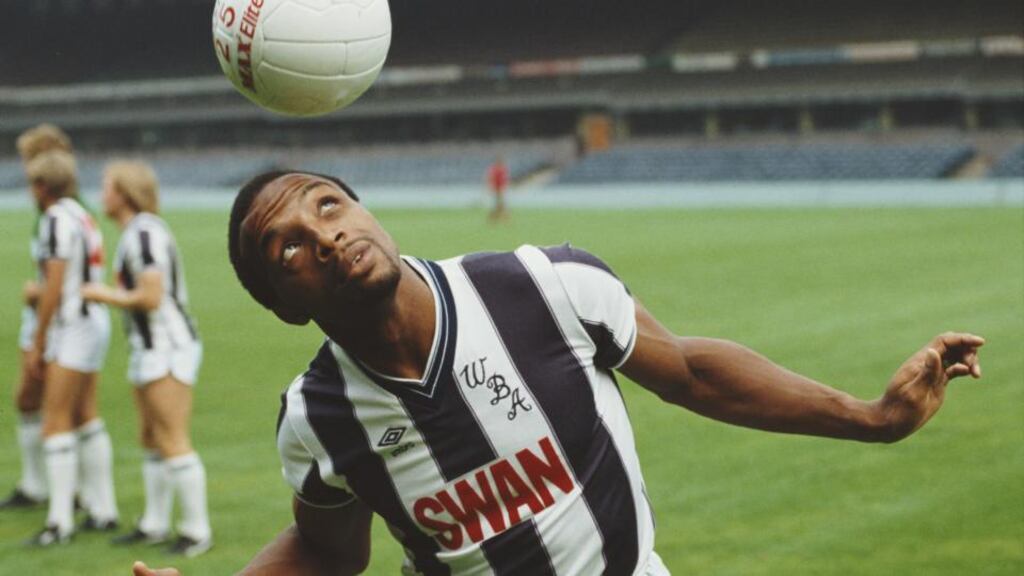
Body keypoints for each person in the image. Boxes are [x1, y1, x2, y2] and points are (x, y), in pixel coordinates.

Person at [134, 171, 984, 576]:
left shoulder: (544, 286)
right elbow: (326, 551)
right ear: (285, 302)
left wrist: (875, 416)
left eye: (328, 203)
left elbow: (690, 371)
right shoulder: (318, 419)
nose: (321, 233)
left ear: (368, 211)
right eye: (286, 245)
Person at [82, 160, 213, 557]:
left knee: (173, 439)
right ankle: (155, 523)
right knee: (151, 437)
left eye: (107, 186)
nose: (102, 194)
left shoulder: (143, 234)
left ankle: (195, 530)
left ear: (124, 193)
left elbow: (151, 297)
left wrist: (99, 294)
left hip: (166, 346)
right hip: (150, 346)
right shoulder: (136, 233)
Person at [23, 150, 119, 546]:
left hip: (72, 323)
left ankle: (60, 522)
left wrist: (39, 336)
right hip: (92, 319)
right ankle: (104, 509)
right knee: (85, 415)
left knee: (55, 420)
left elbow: (56, 281)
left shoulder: (55, 218)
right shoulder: (81, 213)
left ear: (42, 186)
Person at [1, 124, 73, 511]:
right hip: (63, 320)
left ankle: (54, 493)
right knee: (43, 405)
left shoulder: (58, 216)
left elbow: (60, 278)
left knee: (45, 405)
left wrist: (38, 298)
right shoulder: (60, 213)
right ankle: (51, 486)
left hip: (59, 322)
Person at [486, 156, 509, 222]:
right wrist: (492, 188)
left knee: (499, 205)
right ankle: (502, 218)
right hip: (497, 190)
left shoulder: (501, 169)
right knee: (500, 205)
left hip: (500, 189)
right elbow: (492, 179)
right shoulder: (496, 170)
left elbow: (503, 180)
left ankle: (495, 218)